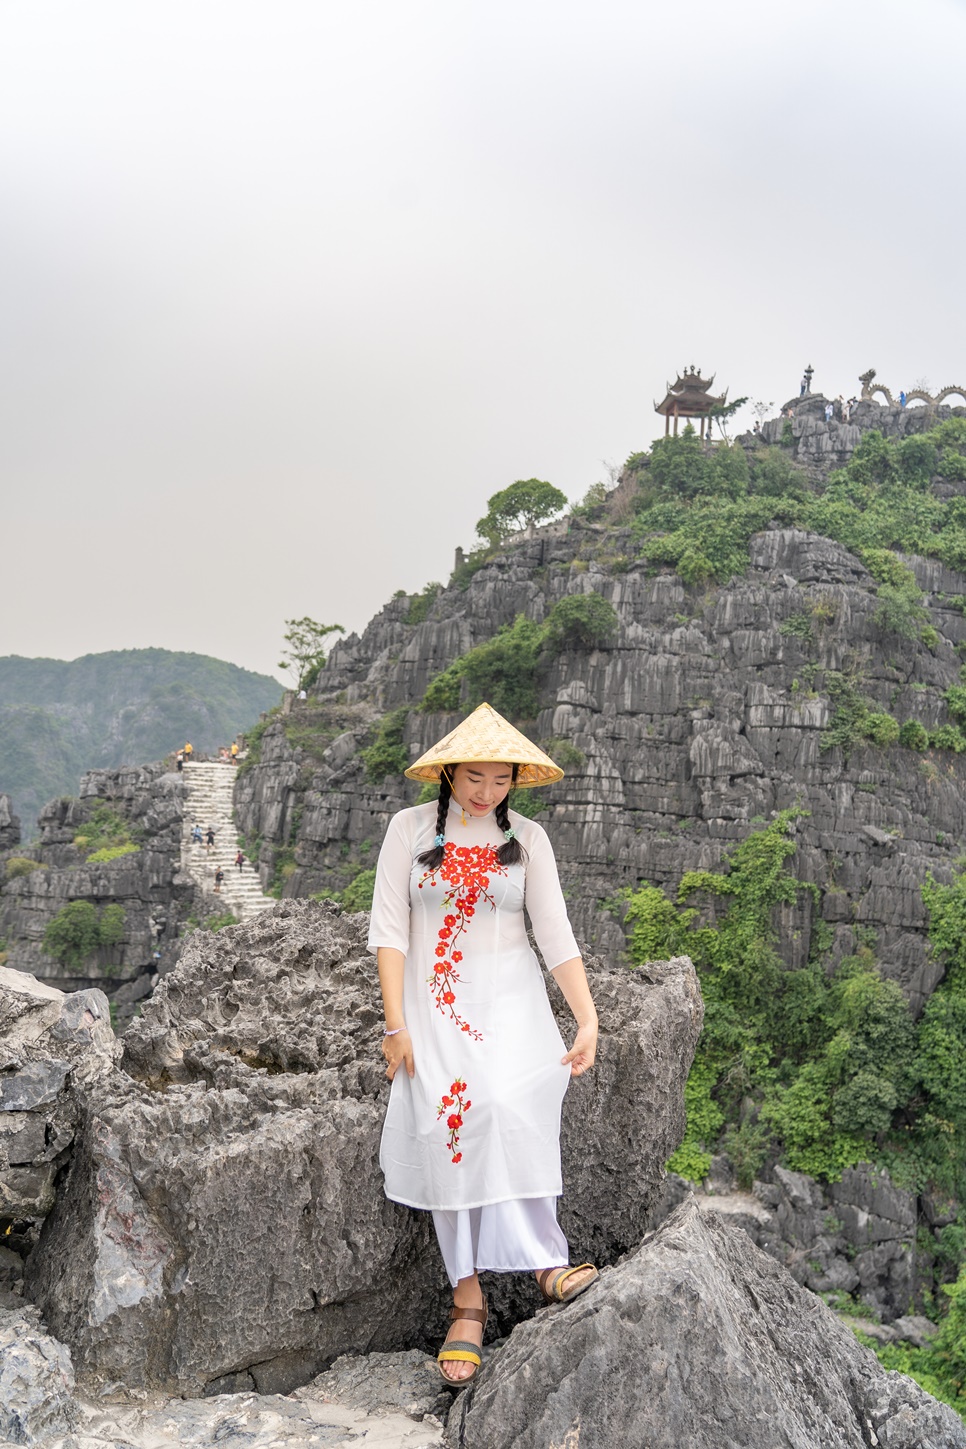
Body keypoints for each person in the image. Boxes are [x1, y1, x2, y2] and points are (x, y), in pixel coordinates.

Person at [369, 702, 600, 1390]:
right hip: (433, 1010)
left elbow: (554, 932)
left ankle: (543, 1262)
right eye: (475, 777)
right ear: (447, 772)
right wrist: (394, 1025)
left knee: (507, 1105)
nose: (486, 792)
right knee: (450, 1127)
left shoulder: (528, 839)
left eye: (501, 780)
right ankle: (467, 1300)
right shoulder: (408, 830)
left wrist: (586, 1017)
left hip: (510, 1006)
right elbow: (389, 930)